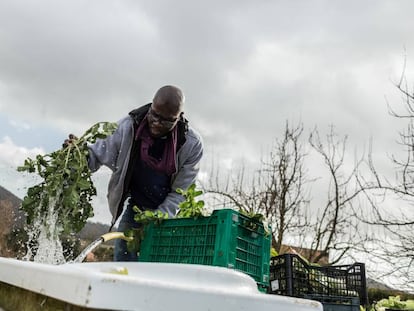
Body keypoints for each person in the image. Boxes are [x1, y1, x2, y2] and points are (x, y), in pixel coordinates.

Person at [75, 85, 203, 261]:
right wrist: (78, 155)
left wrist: (159, 217)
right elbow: (97, 154)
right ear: (151, 107)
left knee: (162, 263)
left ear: (178, 118)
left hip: (171, 216)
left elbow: (180, 192)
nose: (157, 123)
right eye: (155, 115)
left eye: (166, 121)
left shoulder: (191, 145)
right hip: (137, 207)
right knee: (123, 255)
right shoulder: (128, 127)